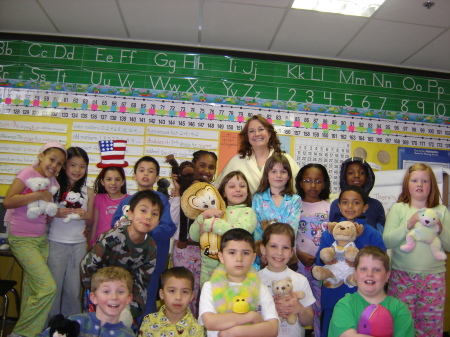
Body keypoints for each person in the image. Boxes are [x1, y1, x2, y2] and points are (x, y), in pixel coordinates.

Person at [4, 141, 67, 337]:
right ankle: (21, 333)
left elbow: (46, 215)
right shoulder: (27, 174)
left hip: (41, 239)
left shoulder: (54, 183)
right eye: (52, 159)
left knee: (33, 290)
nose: (55, 166)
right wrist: (38, 195)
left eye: (60, 163)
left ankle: (29, 333)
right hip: (21, 239)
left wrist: (58, 211)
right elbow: (8, 201)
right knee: (48, 287)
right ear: (41, 156)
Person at [383, 163, 450, 336]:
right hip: (401, 277)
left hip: (433, 279)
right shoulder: (399, 208)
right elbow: (387, 240)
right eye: (415, 180)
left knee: (430, 327)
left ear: (432, 186)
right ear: (407, 184)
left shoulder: (441, 210)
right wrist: (410, 222)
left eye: (424, 181)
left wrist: (440, 228)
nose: (419, 184)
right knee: (401, 324)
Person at [110, 156, 176, 319]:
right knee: (123, 301)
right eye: (141, 170)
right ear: (134, 175)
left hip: (151, 262)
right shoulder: (126, 201)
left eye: (151, 171)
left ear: (157, 178)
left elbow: (168, 229)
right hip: (125, 261)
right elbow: (115, 225)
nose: (145, 173)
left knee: (147, 303)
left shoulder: (162, 201)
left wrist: (143, 228)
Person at [317, 185, 385, 337]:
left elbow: (382, 262)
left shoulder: (372, 234)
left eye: (356, 202)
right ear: (339, 206)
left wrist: (360, 261)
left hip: (362, 295)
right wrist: (326, 261)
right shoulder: (331, 232)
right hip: (333, 293)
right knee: (330, 328)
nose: (350, 206)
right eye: (345, 202)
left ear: (365, 207)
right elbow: (320, 259)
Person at [81, 190, 161, 320]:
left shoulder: (151, 246)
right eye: (143, 210)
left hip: (125, 295)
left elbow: (142, 281)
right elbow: (88, 267)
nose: (148, 217)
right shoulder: (112, 238)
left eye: (154, 214)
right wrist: (99, 294)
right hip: (99, 291)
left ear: (158, 222)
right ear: (129, 214)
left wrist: (132, 306)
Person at [198, 228, 279, 337]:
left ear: (253, 257)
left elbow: (273, 329)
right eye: (232, 252)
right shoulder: (209, 287)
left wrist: (233, 332)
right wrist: (251, 316)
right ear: (221, 257)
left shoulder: (261, 289)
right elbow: (210, 322)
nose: (239, 258)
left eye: (245, 253)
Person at [47, 147, 94, 320]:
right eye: (73, 165)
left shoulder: (88, 192)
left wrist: (85, 214)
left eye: (82, 166)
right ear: (64, 166)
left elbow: (91, 221)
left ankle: (71, 327)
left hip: (79, 246)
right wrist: (54, 213)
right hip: (55, 244)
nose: (77, 170)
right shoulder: (54, 188)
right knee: (54, 290)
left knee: (73, 290)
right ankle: (51, 328)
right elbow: (44, 218)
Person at [170, 150, 217, 317]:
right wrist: (178, 192)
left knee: (203, 294)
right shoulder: (183, 188)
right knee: (182, 292)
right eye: (202, 165)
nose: (206, 170)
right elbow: (174, 220)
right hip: (184, 249)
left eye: (211, 167)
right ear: (192, 166)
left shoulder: (215, 193)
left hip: (207, 252)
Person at [189, 170, 257, 286]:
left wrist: (209, 224)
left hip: (234, 271)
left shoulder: (248, 212)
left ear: (247, 192)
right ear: (224, 193)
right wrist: (204, 216)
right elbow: (194, 236)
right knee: (208, 301)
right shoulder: (214, 211)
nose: (238, 189)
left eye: (242, 186)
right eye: (232, 186)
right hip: (208, 269)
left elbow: (239, 233)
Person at [328, 246, 414, 337]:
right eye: (363, 269)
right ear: (355, 273)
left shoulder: (399, 309)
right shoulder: (345, 305)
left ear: (387, 275)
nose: (369, 274)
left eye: (376, 270)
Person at [39, 266, 135, 337]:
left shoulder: (128, 335)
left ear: (128, 298)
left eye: (120, 292)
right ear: (93, 298)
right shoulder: (73, 323)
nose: (114, 297)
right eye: (106, 291)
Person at [216, 115, 299, 195]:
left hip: (280, 208)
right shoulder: (237, 160)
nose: (257, 134)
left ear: (269, 134)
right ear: (247, 136)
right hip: (245, 209)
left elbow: (299, 188)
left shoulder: (285, 159)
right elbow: (219, 189)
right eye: (251, 131)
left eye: (261, 129)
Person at [259, 223, 315, 337]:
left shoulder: (300, 280)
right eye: (273, 246)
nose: (279, 252)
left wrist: (299, 308)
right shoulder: (254, 280)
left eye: (285, 247)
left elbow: (309, 321)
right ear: (263, 249)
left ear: (291, 252)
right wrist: (268, 308)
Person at [294, 163, 331, 337]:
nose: (313, 185)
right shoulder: (294, 205)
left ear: (324, 184)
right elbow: (288, 233)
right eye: (308, 180)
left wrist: (323, 258)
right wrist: (298, 253)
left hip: (321, 266)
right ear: (301, 183)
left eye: (318, 181)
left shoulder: (329, 207)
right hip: (299, 264)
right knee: (297, 302)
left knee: (319, 305)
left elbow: (333, 238)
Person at [252, 153, 301, 270]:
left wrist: (279, 252)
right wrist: (264, 252)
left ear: (289, 176)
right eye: (273, 171)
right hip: (262, 256)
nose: (278, 175)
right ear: (267, 175)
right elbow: (257, 228)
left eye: (283, 172)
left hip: (285, 256)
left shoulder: (295, 200)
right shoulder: (258, 198)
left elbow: (291, 229)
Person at [139, 267, 205, 337]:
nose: (178, 297)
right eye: (172, 291)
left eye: (185, 292)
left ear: (191, 296)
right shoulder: (149, 321)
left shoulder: (196, 328)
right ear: (162, 294)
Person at [329, 157, 385, 232]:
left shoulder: (376, 205)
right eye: (351, 173)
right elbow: (333, 231)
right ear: (344, 177)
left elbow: (380, 232)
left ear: (368, 177)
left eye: (361, 172)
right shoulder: (336, 204)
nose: (356, 176)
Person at [89, 166, 129, 248]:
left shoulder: (130, 200)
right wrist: (91, 243)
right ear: (102, 182)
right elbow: (95, 224)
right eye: (109, 179)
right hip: (100, 244)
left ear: (123, 182)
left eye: (117, 179)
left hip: (121, 245)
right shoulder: (98, 198)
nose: (113, 183)